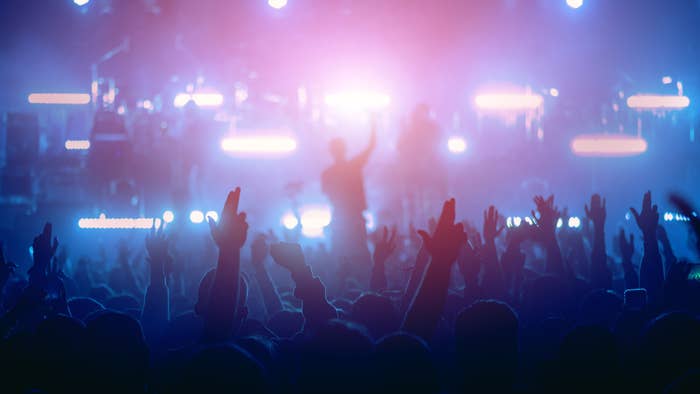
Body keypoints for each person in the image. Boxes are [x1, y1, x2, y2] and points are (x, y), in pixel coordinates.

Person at [321, 120, 376, 268]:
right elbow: (371, 146)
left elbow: (327, 194)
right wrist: (373, 122)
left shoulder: (328, 173)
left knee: (342, 255)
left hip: (342, 217)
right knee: (358, 254)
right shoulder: (352, 166)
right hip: (351, 217)